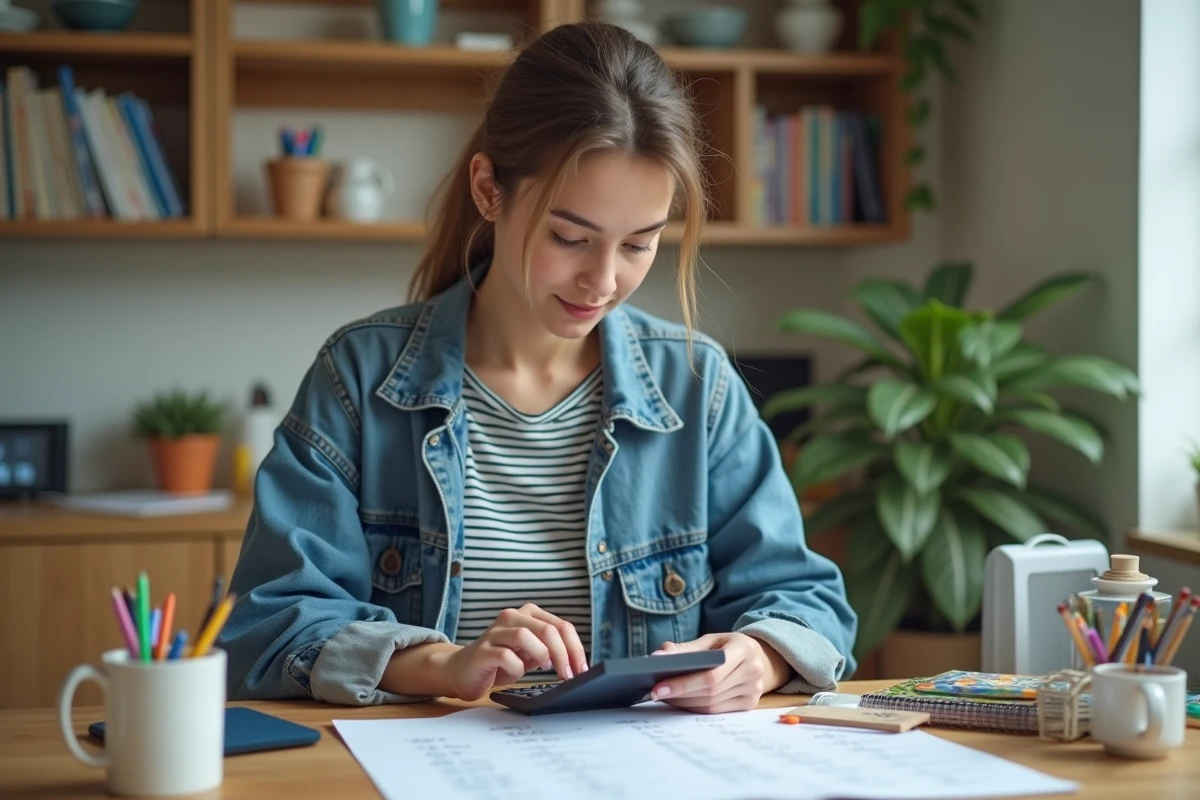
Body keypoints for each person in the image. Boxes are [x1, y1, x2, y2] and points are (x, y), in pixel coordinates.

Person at [219, 19, 857, 714]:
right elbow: (269, 625)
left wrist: (757, 657)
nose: (603, 281)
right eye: (570, 237)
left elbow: (808, 602)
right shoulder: (359, 376)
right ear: (489, 189)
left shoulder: (697, 387)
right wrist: (441, 664)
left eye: (639, 245)